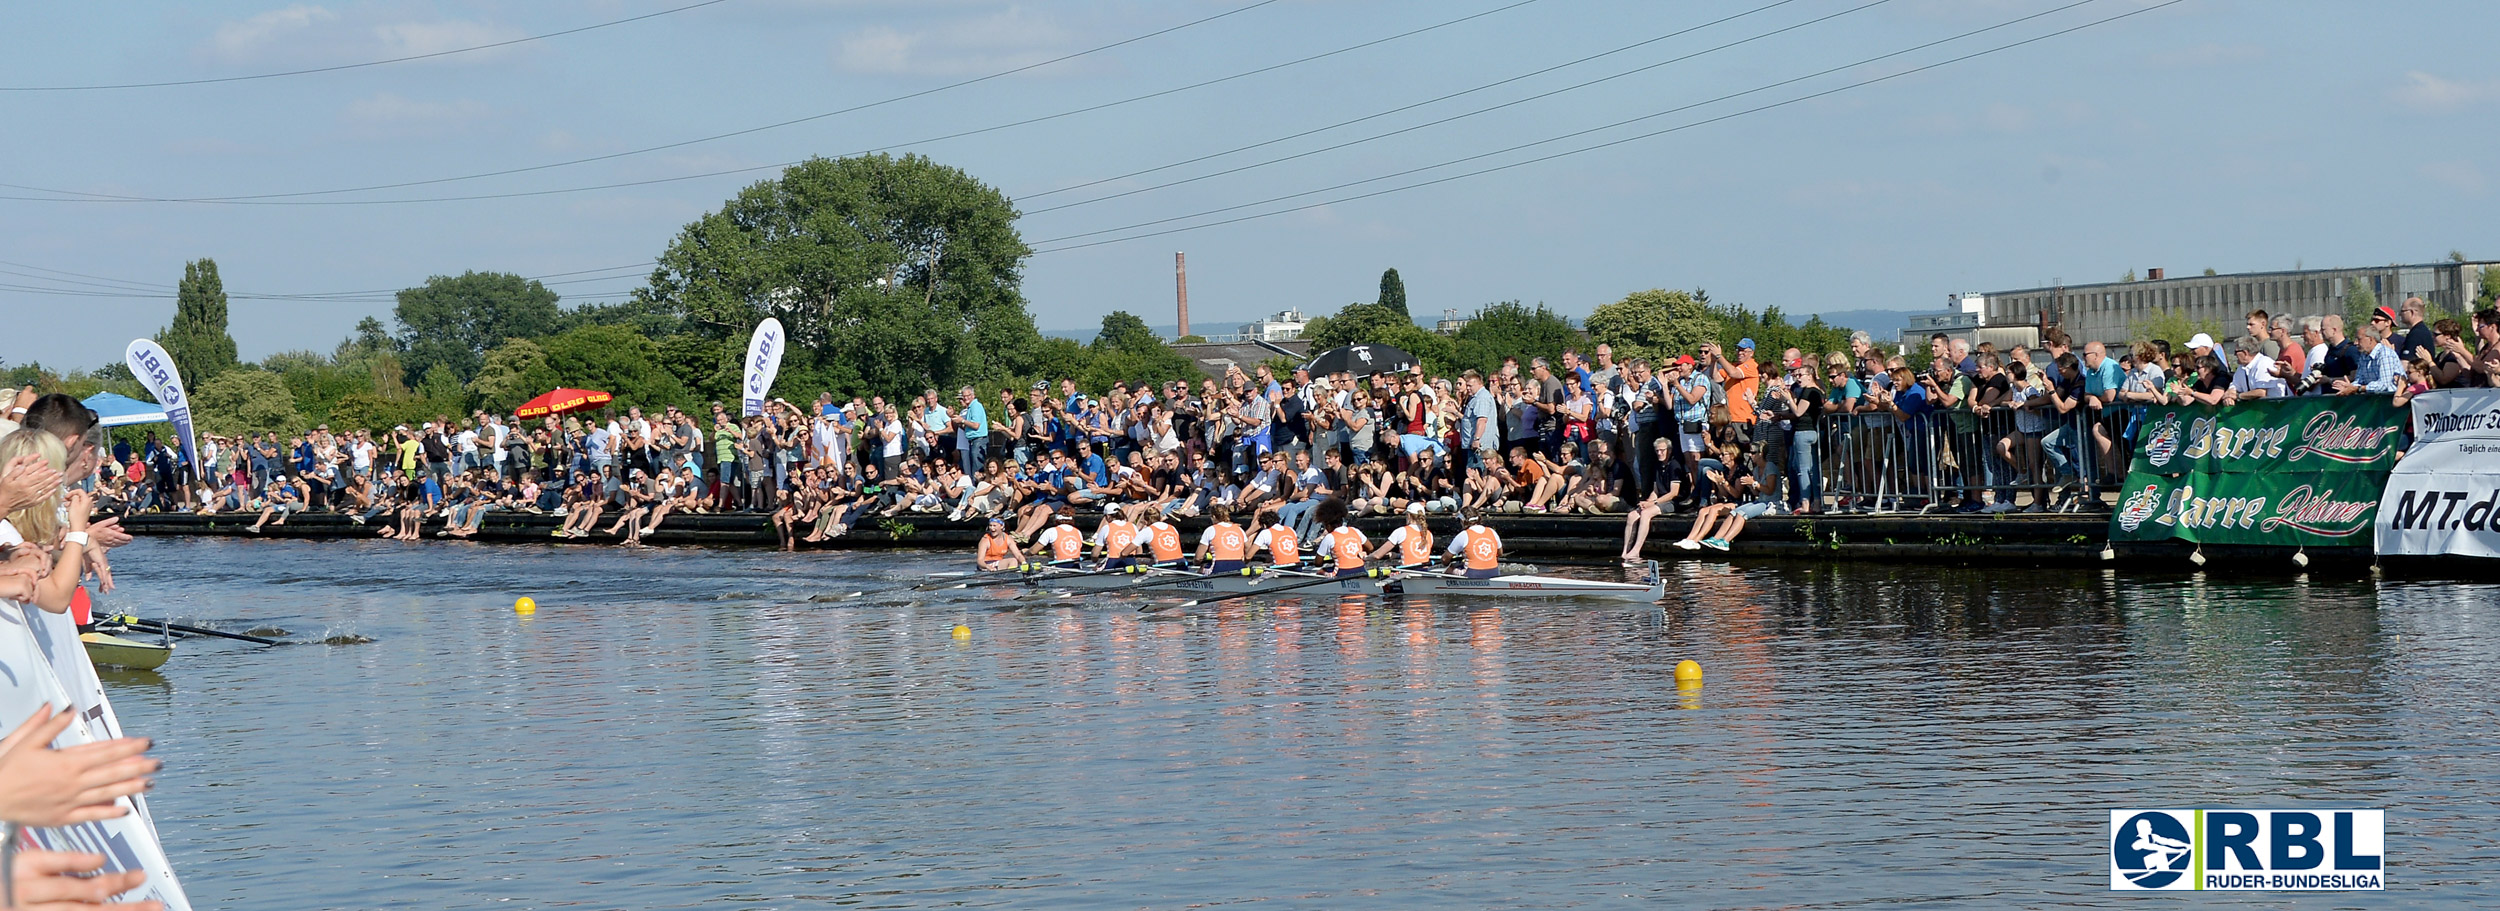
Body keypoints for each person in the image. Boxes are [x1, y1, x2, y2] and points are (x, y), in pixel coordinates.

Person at [1313, 498, 1368, 578]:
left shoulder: (1330, 537)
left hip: (1342, 573)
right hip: (1361, 571)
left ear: (1327, 525)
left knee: (1320, 571)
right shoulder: (1355, 531)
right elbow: (1370, 548)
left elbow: (1318, 563)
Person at [1368, 503, 1435, 570]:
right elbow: (1414, 555)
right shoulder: (1429, 534)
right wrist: (1397, 555)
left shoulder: (1401, 531)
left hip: (1408, 574)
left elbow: (1377, 556)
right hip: (1425, 573)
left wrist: (1365, 557)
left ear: (1408, 515)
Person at [1196, 503, 1252, 574]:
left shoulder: (1210, 530)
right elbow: (1248, 550)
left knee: (1202, 569)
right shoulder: (1239, 529)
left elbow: (1198, 557)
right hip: (1240, 567)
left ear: (1213, 517)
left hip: (1219, 567)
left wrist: (1196, 563)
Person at [1445, 514, 1503, 579]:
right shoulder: (1491, 531)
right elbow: (1500, 553)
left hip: (1472, 574)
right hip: (1494, 573)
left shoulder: (1464, 534)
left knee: (1449, 570)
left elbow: (1445, 559)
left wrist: (1447, 563)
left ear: (1463, 521)